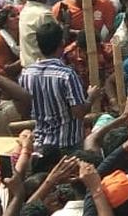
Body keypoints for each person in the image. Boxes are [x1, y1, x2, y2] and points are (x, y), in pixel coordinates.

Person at [18, 21, 100, 149]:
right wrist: (91, 97)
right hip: (67, 144)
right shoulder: (67, 75)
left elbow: (24, 109)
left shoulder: (26, 74)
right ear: (62, 43)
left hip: (40, 143)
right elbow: (79, 112)